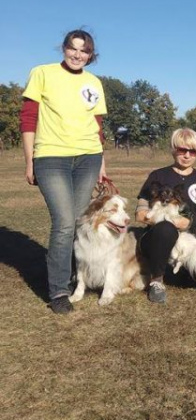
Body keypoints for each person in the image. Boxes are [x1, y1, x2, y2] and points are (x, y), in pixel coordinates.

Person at [20, 29, 108, 314]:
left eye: (84, 51)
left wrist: (101, 165)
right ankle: (59, 290)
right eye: (73, 48)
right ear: (64, 48)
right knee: (64, 222)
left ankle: (74, 276)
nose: (77, 55)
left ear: (91, 55)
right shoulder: (42, 73)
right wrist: (29, 160)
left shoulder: (94, 82)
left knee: (79, 221)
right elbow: (29, 118)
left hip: (88, 158)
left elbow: (97, 127)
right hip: (51, 156)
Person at [135, 128, 196, 303]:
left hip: (190, 239)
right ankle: (156, 281)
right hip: (158, 236)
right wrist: (165, 219)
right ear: (173, 149)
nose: (187, 155)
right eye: (182, 150)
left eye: (192, 151)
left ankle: (179, 270)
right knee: (166, 229)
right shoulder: (157, 176)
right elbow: (140, 214)